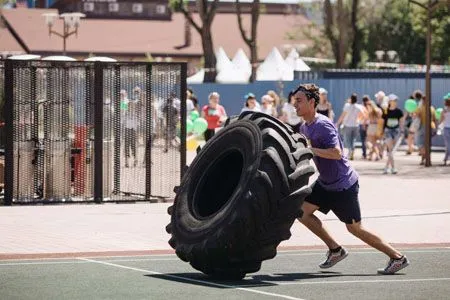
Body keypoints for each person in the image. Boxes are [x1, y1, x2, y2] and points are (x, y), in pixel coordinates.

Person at [292, 83, 409, 275]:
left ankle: (397, 257)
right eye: (294, 101)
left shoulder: (323, 125)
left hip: (343, 185)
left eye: (299, 101)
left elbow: (337, 153)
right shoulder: (305, 126)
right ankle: (336, 250)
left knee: (355, 229)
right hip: (325, 183)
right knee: (302, 212)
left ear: (312, 102)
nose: (295, 105)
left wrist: (311, 150)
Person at [336, 93, 366, 160]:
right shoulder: (359, 106)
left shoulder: (347, 105)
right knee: (353, 140)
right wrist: (359, 120)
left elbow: (343, 115)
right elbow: (364, 115)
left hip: (347, 125)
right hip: (355, 125)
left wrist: (338, 123)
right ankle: (352, 150)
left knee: (347, 140)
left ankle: (350, 151)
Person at [382, 94, 404, 174]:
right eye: (393, 100)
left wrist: (402, 131)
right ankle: (393, 168)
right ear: (389, 101)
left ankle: (386, 167)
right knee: (390, 149)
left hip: (396, 131)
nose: (395, 102)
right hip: (388, 131)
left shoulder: (399, 111)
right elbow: (383, 122)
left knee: (391, 151)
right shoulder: (385, 111)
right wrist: (382, 132)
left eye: (396, 100)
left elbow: (401, 122)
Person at [415, 95, 437, 165]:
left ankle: (425, 156)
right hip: (431, 127)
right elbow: (435, 119)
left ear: (423, 100)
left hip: (422, 127)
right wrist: (435, 128)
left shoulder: (420, 108)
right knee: (427, 144)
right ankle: (424, 159)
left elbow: (416, 116)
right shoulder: (432, 108)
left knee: (419, 143)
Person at [440, 96, 450, 166]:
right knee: (448, 146)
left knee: (447, 145)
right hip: (446, 128)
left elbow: (441, 119)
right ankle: (446, 159)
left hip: (446, 128)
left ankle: (445, 159)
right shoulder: (444, 110)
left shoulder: (444, 110)